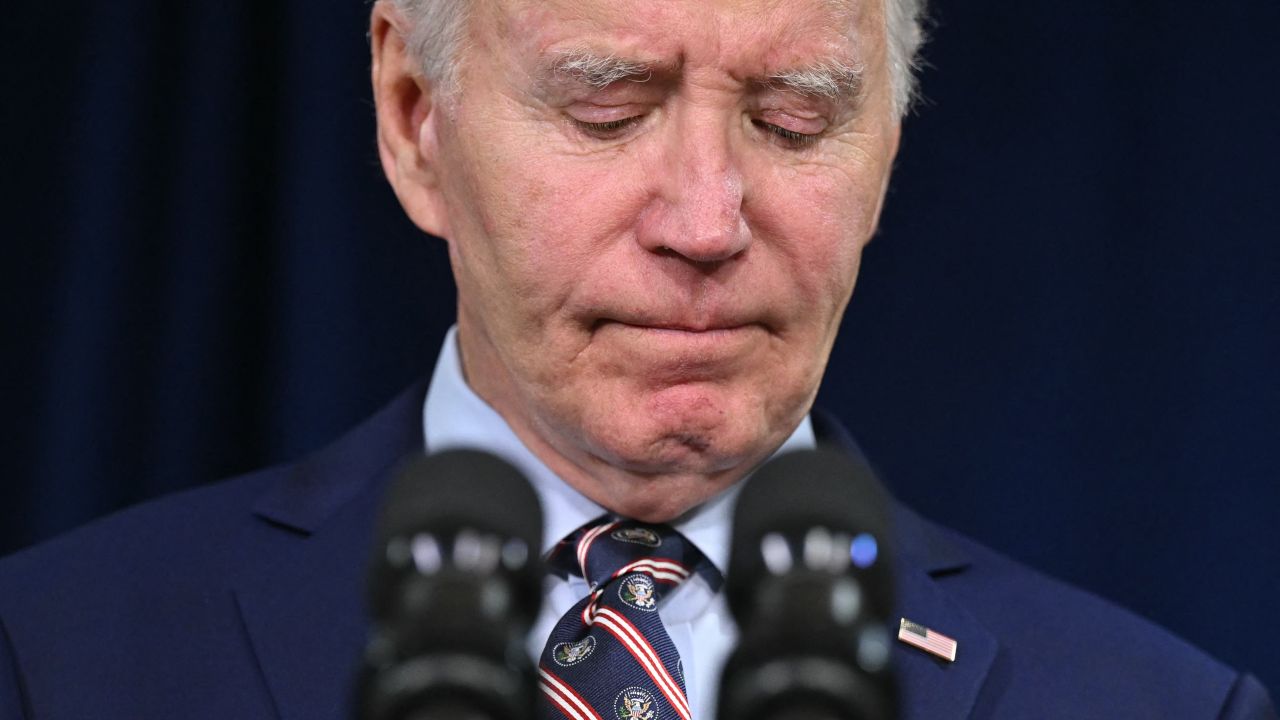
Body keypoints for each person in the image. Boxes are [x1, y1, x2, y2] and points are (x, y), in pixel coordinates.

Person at [0, 0, 1274, 718]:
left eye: (792, 120)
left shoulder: (1159, 705)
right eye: (606, 112)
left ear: (887, 145)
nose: (706, 221)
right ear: (412, 120)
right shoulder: (51, 657)